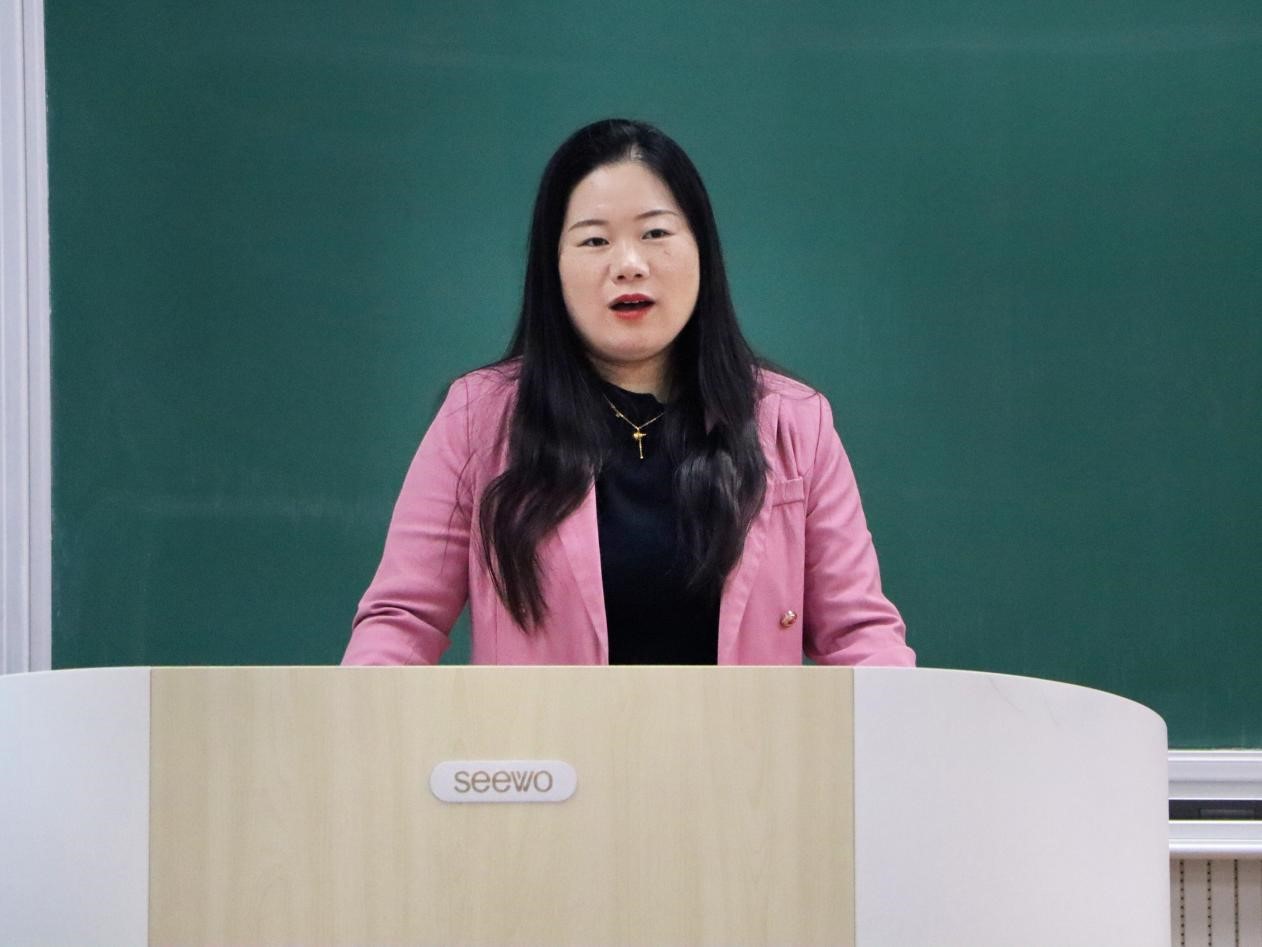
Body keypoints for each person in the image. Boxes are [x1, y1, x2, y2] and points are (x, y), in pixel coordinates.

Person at [342, 118, 914, 667]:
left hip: (743, 740)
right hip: (548, 741)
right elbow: (402, 621)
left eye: (656, 233)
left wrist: (903, 718)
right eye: (594, 240)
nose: (629, 265)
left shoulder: (794, 423)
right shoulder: (478, 418)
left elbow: (859, 635)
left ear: (702, 250)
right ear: (553, 266)